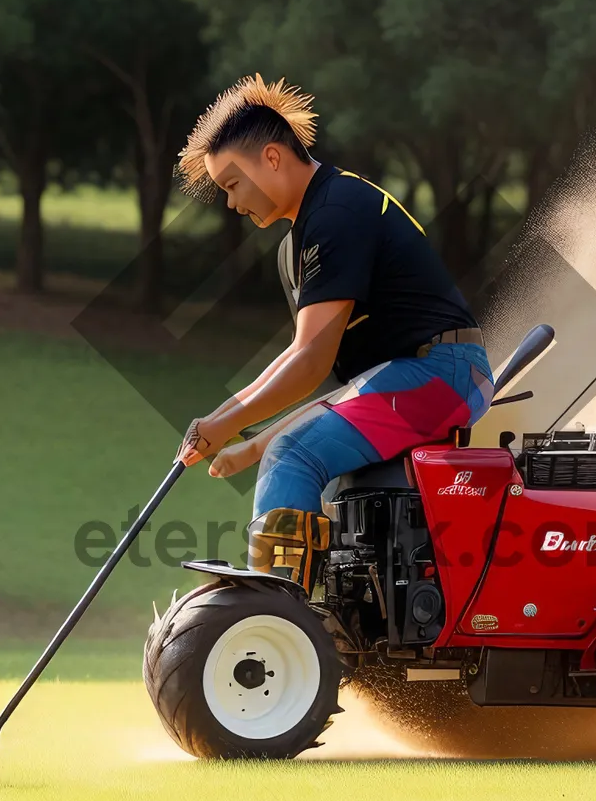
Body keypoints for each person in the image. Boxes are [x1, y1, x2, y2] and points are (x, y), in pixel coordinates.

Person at [177, 74, 493, 588]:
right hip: (414, 377)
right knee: (294, 455)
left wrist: (227, 424)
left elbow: (310, 364)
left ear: (272, 158)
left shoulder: (336, 212)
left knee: (294, 455)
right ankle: (322, 623)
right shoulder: (297, 245)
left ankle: (281, 619)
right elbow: (340, 385)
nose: (231, 203)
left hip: (444, 373)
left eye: (232, 185)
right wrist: (235, 433)